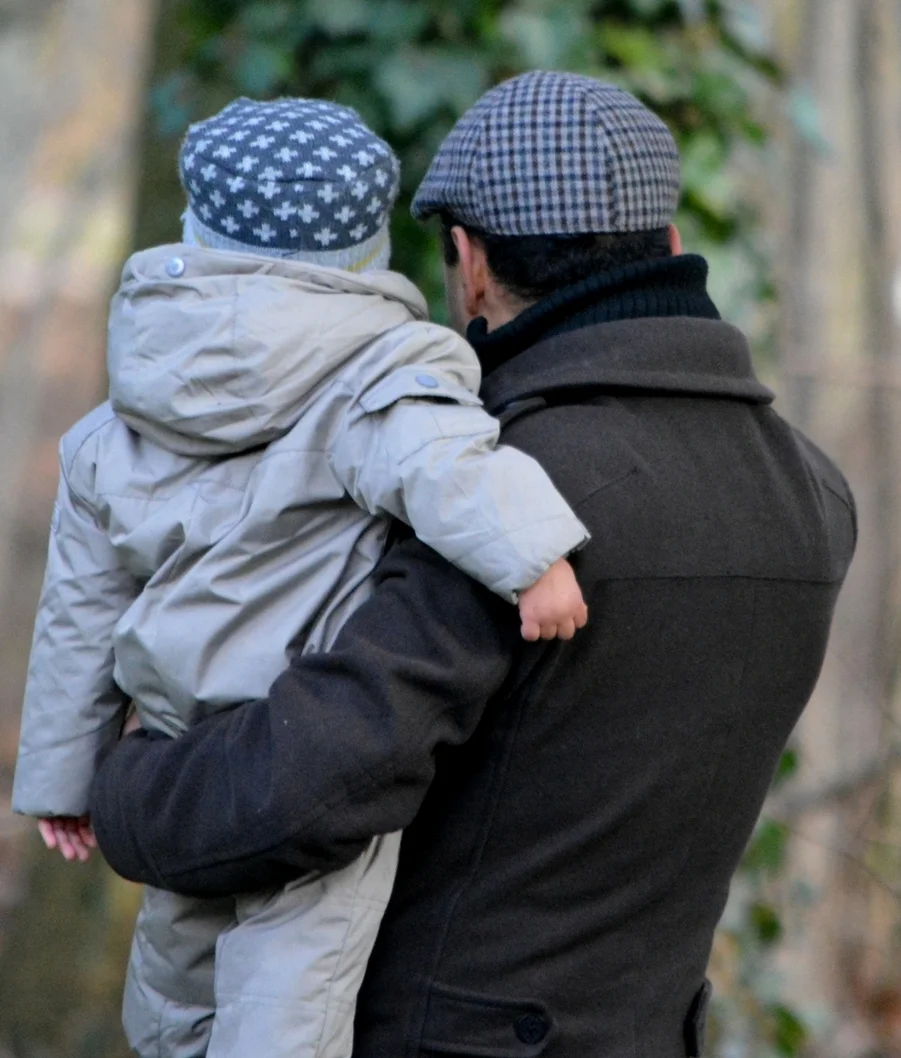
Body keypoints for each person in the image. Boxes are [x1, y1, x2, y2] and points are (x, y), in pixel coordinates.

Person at [89, 72, 856, 1057]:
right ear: (670, 244)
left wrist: (119, 776)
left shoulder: (509, 495)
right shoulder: (814, 492)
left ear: (468, 260)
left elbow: (308, 786)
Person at [12, 95, 592, 1058]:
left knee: (174, 968)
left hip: (171, 750)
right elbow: (446, 464)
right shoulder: (374, 379)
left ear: (197, 229)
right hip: (303, 747)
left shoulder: (123, 416)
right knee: (292, 989)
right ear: (365, 249)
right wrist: (534, 557)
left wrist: (60, 777)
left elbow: (80, 607)